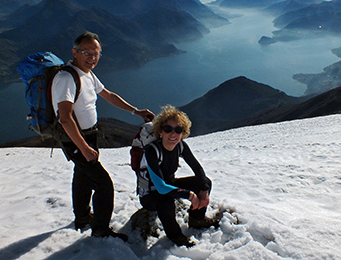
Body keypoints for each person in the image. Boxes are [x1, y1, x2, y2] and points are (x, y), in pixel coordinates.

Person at [52, 31, 154, 241]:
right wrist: (84, 148)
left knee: (82, 176)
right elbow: (65, 118)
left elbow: (108, 95)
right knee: (104, 184)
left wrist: (136, 111)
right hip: (76, 139)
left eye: (96, 54)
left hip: (88, 136)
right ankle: (100, 229)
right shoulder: (66, 78)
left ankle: (82, 218)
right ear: (75, 52)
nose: (92, 58)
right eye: (87, 52)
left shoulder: (86, 74)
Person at [138, 105, 218, 247]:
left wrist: (204, 190)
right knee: (166, 201)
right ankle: (175, 235)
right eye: (168, 129)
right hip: (150, 194)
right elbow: (161, 187)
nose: (173, 134)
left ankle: (196, 219)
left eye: (178, 130)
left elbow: (197, 169)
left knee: (205, 182)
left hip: (170, 185)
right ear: (160, 131)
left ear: (183, 132)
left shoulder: (180, 146)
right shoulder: (152, 151)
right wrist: (190, 196)